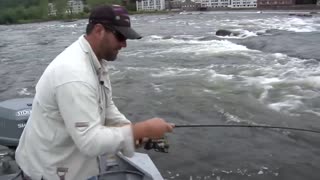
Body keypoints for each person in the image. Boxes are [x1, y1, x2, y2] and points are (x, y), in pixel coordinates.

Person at [15, 4, 174, 180]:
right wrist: (140, 130)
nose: (124, 44)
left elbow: (107, 106)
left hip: (77, 167)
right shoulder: (74, 73)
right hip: (51, 172)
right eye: (120, 36)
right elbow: (90, 141)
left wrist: (129, 128)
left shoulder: (96, 61)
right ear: (99, 30)